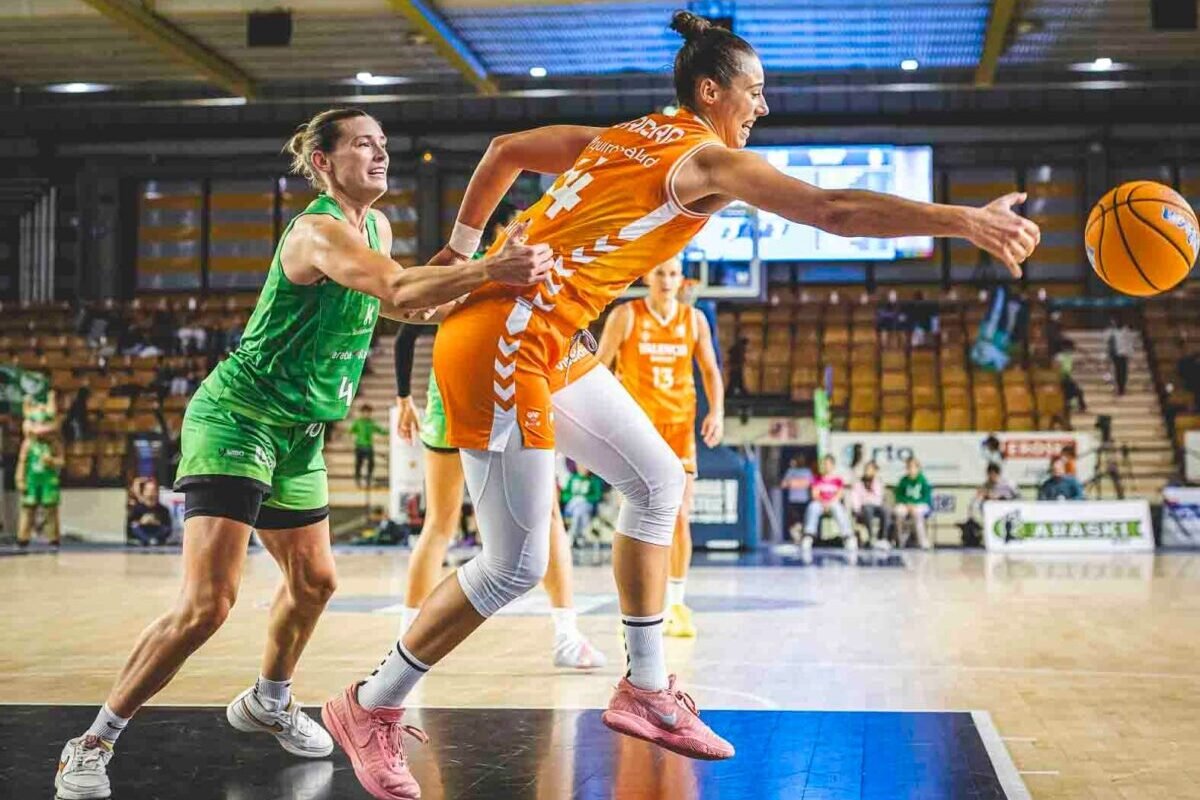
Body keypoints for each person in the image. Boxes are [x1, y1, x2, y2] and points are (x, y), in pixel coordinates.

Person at [323, 14, 1040, 799]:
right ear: (712, 91)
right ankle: (369, 704)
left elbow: (502, 153)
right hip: (505, 343)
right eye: (755, 92)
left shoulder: (625, 135)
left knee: (661, 481)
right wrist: (960, 219)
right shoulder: (702, 161)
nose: (761, 108)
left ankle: (647, 688)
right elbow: (833, 210)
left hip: (541, 334)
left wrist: (462, 249)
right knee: (513, 566)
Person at [52, 107, 552, 800]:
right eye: (362, 145)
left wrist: (488, 278)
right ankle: (93, 740)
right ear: (323, 162)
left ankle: (269, 699)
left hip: (301, 434)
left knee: (316, 583)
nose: (380, 155)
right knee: (208, 604)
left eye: (384, 144)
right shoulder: (316, 230)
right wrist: (490, 266)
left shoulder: (372, 227)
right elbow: (401, 288)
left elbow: (402, 306)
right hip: (239, 419)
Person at [393, 313, 607, 671]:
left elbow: (406, 331)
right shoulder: (478, 270)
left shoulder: (499, 268)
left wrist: (404, 399)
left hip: (485, 391)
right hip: (489, 392)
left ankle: (404, 641)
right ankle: (566, 635)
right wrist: (402, 399)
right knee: (534, 515)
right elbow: (407, 329)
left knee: (444, 524)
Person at [597, 255, 725, 639]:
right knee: (635, 520)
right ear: (647, 276)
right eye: (659, 273)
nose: (666, 281)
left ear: (681, 279)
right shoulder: (627, 315)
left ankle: (677, 604)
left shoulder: (694, 320)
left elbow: (710, 371)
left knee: (681, 516)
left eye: (672, 274)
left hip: (679, 428)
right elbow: (599, 366)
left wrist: (716, 411)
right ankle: (635, 610)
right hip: (636, 429)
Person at [16, 403, 63, 549]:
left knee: (50, 509)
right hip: (31, 480)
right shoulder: (28, 444)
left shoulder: (54, 444)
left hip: (48, 480)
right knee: (28, 508)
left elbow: (61, 461)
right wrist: (20, 479)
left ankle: (53, 538)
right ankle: (23, 537)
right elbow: (22, 462)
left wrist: (52, 461)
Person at [801, 454, 854, 554]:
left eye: (828, 464)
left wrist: (830, 502)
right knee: (812, 507)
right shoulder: (817, 479)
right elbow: (814, 494)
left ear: (833, 466)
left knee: (838, 509)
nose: (826, 466)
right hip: (820, 502)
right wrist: (823, 502)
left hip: (833, 502)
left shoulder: (837, 480)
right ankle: (809, 535)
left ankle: (847, 536)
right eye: (824, 464)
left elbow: (839, 494)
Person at [961, 463, 1018, 546]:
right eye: (989, 474)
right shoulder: (986, 485)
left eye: (992, 474)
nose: (990, 477)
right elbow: (975, 501)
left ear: (997, 473)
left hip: (1007, 515)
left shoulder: (1009, 484)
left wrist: (1000, 498)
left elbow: (1018, 499)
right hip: (992, 515)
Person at [849, 460, 891, 550]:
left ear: (875, 471)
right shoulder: (859, 482)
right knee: (868, 509)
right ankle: (871, 537)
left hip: (877, 506)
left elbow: (879, 497)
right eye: (866, 469)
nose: (867, 471)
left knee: (886, 510)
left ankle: (883, 538)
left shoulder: (878, 482)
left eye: (870, 469)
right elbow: (855, 497)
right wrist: (857, 509)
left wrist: (874, 482)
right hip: (864, 507)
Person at [894, 457, 934, 549]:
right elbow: (898, 495)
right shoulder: (903, 480)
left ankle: (922, 541)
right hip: (906, 504)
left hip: (920, 504)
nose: (911, 469)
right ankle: (900, 540)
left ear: (918, 468)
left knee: (917, 513)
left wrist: (914, 504)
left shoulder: (923, 480)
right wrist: (907, 503)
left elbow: (926, 497)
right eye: (908, 467)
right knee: (898, 512)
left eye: (913, 467)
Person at [560, 464, 604, 543]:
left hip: (586, 506)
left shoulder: (594, 480)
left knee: (580, 510)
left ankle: (573, 533)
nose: (583, 468)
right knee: (578, 505)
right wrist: (574, 497)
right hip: (571, 506)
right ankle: (581, 534)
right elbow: (564, 495)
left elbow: (597, 496)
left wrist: (584, 498)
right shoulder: (572, 478)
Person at [127, 477, 172, 546]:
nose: (151, 493)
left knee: (164, 529)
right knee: (134, 526)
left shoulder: (163, 509)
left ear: (157, 492)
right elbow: (129, 526)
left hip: (157, 533)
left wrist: (156, 522)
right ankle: (146, 540)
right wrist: (141, 522)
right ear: (144, 491)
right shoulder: (137, 508)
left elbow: (168, 527)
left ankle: (153, 540)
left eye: (153, 490)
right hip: (142, 533)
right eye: (148, 490)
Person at [349, 403, 386, 488]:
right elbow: (350, 431)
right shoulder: (358, 422)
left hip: (369, 446)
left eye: (368, 412)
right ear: (362, 412)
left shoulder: (371, 423)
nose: (366, 414)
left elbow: (380, 430)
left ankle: (369, 478)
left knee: (371, 463)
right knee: (359, 464)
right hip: (359, 446)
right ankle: (358, 479)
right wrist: (351, 441)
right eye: (365, 412)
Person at [780, 455, 813, 541]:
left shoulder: (807, 471)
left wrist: (794, 483)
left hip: (804, 500)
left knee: (804, 521)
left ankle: (803, 538)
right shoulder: (791, 471)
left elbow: (809, 484)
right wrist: (795, 483)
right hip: (793, 500)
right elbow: (783, 484)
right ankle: (796, 539)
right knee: (794, 521)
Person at [1105, 316, 1136, 396]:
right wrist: (1108, 354)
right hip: (1115, 354)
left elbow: (1130, 343)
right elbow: (1109, 343)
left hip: (1123, 354)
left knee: (1123, 372)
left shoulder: (1126, 331)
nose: (1114, 323)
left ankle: (1122, 388)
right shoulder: (1111, 331)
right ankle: (1118, 388)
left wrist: (1130, 353)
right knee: (1116, 372)